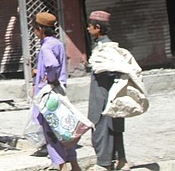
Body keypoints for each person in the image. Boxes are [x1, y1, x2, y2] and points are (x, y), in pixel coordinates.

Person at [32, 12, 82, 171]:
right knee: (64, 130)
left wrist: (50, 78)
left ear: (40, 29)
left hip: (49, 94)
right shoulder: (57, 43)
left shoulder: (46, 46)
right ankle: (74, 164)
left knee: (51, 132)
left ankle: (62, 166)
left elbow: (52, 65)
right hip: (60, 92)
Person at [87, 10, 136, 171]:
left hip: (103, 96)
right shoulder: (104, 47)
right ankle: (121, 160)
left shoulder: (106, 49)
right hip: (111, 96)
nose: (88, 29)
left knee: (102, 128)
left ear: (97, 28)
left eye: (90, 26)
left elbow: (108, 70)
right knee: (115, 128)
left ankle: (105, 163)